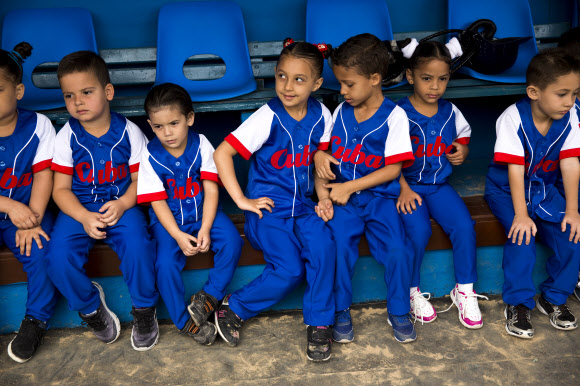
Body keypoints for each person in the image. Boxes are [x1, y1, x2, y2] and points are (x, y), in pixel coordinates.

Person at [213, 42, 336, 362]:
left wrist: (323, 196)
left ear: (316, 84)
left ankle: (320, 322)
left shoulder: (323, 114)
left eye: (299, 79)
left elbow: (321, 165)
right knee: (290, 268)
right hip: (268, 210)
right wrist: (241, 199)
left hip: (304, 207)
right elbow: (222, 153)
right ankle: (234, 307)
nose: (288, 85)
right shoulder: (267, 116)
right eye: (282, 76)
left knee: (324, 249)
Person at [44, 51, 159, 351]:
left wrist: (122, 204)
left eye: (86, 92)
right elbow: (60, 190)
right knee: (57, 257)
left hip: (121, 203)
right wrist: (82, 216)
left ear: (108, 92)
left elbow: (140, 183)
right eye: (69, 95)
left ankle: (145, 309)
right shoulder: (65, 136)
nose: (77, 102)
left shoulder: (130, 133)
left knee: (138, 245)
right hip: (78, 208)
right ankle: (91, 307)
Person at [314, 33, 416, 344]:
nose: (342, 91)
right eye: (341, 83)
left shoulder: (395, 116)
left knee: (398, 249)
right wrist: (324, 188)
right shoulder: (339, 112)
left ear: (374, 78)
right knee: (340, 246)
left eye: (349, 84)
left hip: (380, 198)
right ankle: (340, 309)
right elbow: (323, 157)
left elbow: (394, 169)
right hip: (343, 201)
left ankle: (398, 309)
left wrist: (350, 187)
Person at [137, 83, 243, 345]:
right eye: (159, 126)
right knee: (164, 265)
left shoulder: (202, 144)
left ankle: (209, 297)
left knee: (232, 240)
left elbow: (211, 189)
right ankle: (183, 321)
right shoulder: (149, 154)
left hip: (203, 212)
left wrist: (206, 227)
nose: (168, 132)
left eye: (174, 123)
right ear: (150, 125)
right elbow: (157, 203)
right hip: (169, 222)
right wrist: (177, 235)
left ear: (190, 118)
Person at [484, 48, 580, 339]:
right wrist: (522, 216)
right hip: (505, 191)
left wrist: (573, 211)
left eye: (575, 94)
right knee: (522, 237)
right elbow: (513, 169)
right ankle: (518, 303)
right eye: (562, 94)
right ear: (534, 92)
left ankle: (553, 296)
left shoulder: (571, 116)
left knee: (572, 235)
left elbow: (570, 162)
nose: (570, 102)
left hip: (543, 190)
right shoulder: (512, 118)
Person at [396, 41, 487, 329]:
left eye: (442, 79)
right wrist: (401, 188)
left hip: (438, 185)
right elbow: (386, 157)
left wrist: (462, 151)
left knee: (464, 226)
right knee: (419, 231)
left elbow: (463, 137)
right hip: (407, 186)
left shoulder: (450, 111)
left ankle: (465, 290)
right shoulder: (398, 113)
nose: (435, 86)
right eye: (426, 78)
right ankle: (411, 292)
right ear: (411, 77)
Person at [0, 43, 59, 363]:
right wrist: (9, 207)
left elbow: (43, 176)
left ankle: (36, 319)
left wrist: (33, 218)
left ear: (18, 90)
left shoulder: (38, 125)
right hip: (11, 209)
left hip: (28, 211)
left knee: (41, 250)